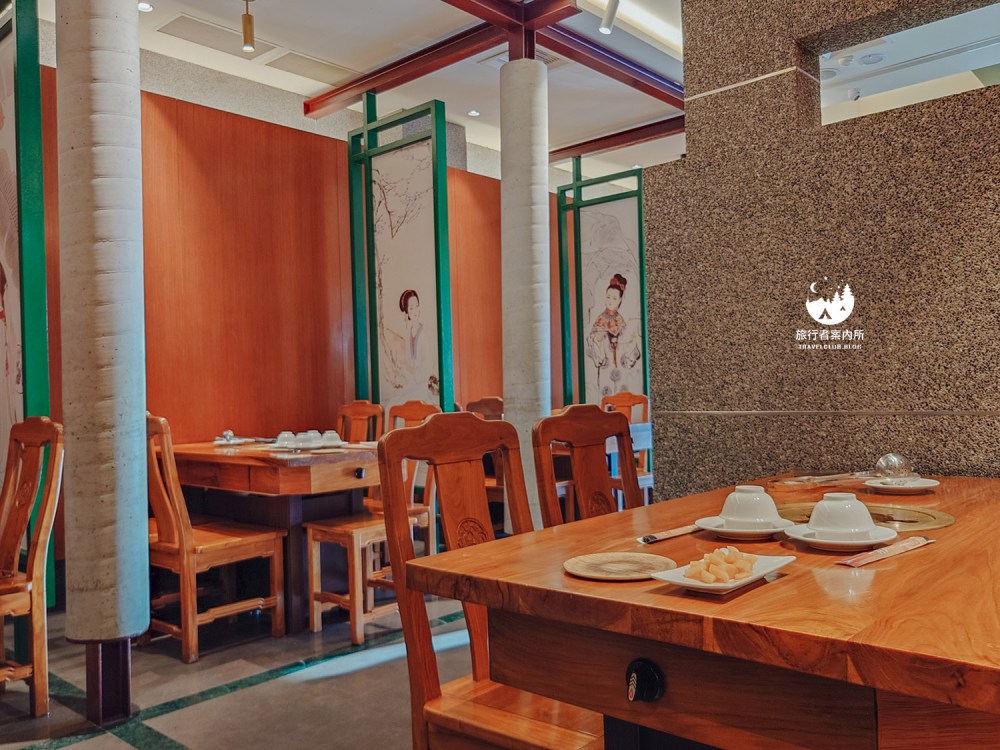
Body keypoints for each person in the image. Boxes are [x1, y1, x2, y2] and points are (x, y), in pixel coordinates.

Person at [586, 274, 640, 395]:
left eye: (614, 298)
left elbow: (627, 342)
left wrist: (629, 340)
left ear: (620, 300)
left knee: (622, 393)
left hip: (620, 364)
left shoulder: (620, 319)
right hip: (607, 363)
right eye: (608, 297)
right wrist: (597, 339)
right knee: (607, 393)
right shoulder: (600, 319)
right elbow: (591, 340)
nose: (610, 301)